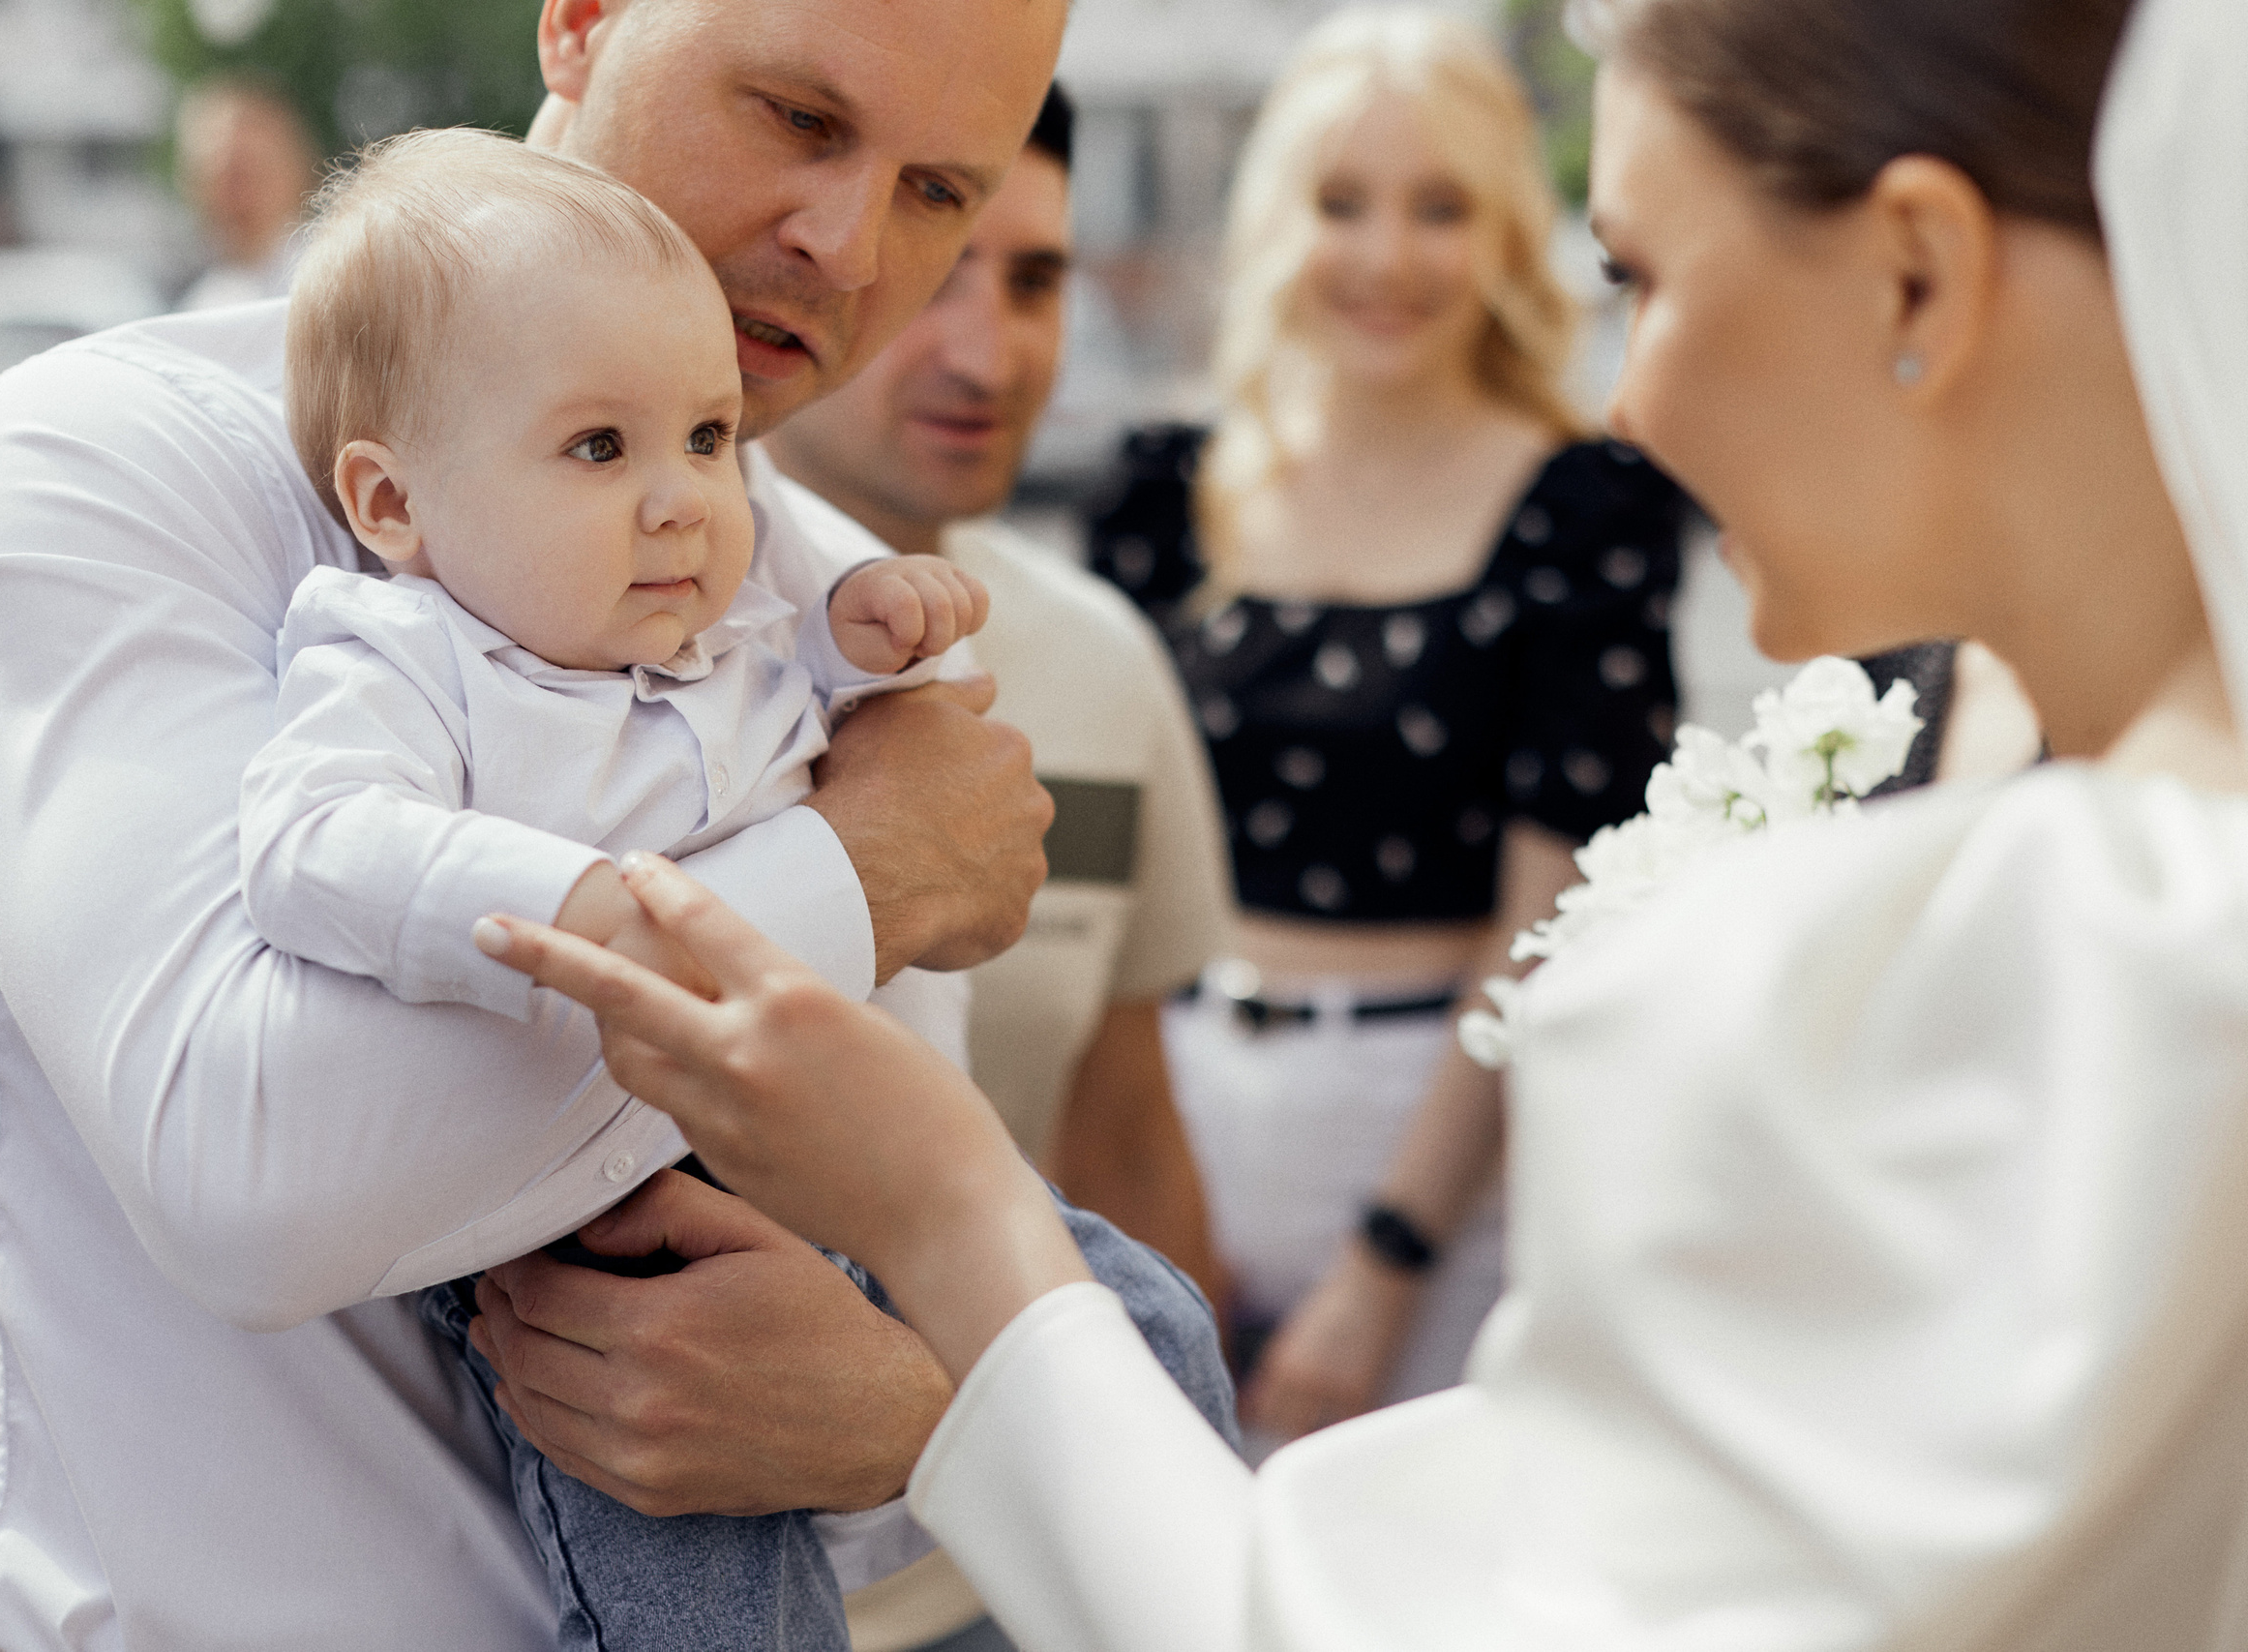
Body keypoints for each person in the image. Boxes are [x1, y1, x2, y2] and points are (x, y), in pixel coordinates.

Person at [474, 0, 2248, 1643]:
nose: (1627, 398)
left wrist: (943, 1206)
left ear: (1918, 276)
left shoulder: (2061, 956)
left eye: (1638, 272)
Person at [0, 2, 1224, 1647]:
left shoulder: (803, 595)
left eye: (939, 189)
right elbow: (251, 1179)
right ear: (581, 19)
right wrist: (857, 873)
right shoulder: (108, 466)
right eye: (799, 117)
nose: (853, 244)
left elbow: (828, 1346)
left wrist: (908, 1420)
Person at [243, 129, 990, 1652]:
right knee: (717, 1599)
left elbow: (801, 699)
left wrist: (862, 634)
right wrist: (574, 911)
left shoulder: (711, 625)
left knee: (1146, 1328)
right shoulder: (410, 660)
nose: (682, 501)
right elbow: (314, 837)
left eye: (709, 437)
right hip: (611, 1236)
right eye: (601, 448)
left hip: (839, 1162)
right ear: (392, 502)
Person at [1084, 7, 1686, 1444]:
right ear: (1275, 219)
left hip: (1445, 1136)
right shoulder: (1162, 490)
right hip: (1173, 1098)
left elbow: (1549, 922)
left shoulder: (1586, 511)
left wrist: (1386, 1260)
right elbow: (1095, 891)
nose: (1386, 256)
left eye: (1440, 208)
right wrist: (1131, 1192)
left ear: (1504, 234)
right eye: (1341, 201)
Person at [762, 82, 1236, 1652]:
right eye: (940, 270)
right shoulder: (594, 658)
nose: (989, 352)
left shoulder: (1105, 666)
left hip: (1002, 1584)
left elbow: (1133, 1148)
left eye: (1034, 280)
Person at [174, 75, 320, 311]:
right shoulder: (203, 301)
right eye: (224, 175)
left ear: (296, 170)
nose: (240, 194)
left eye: (252, 171)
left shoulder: (328, 277)